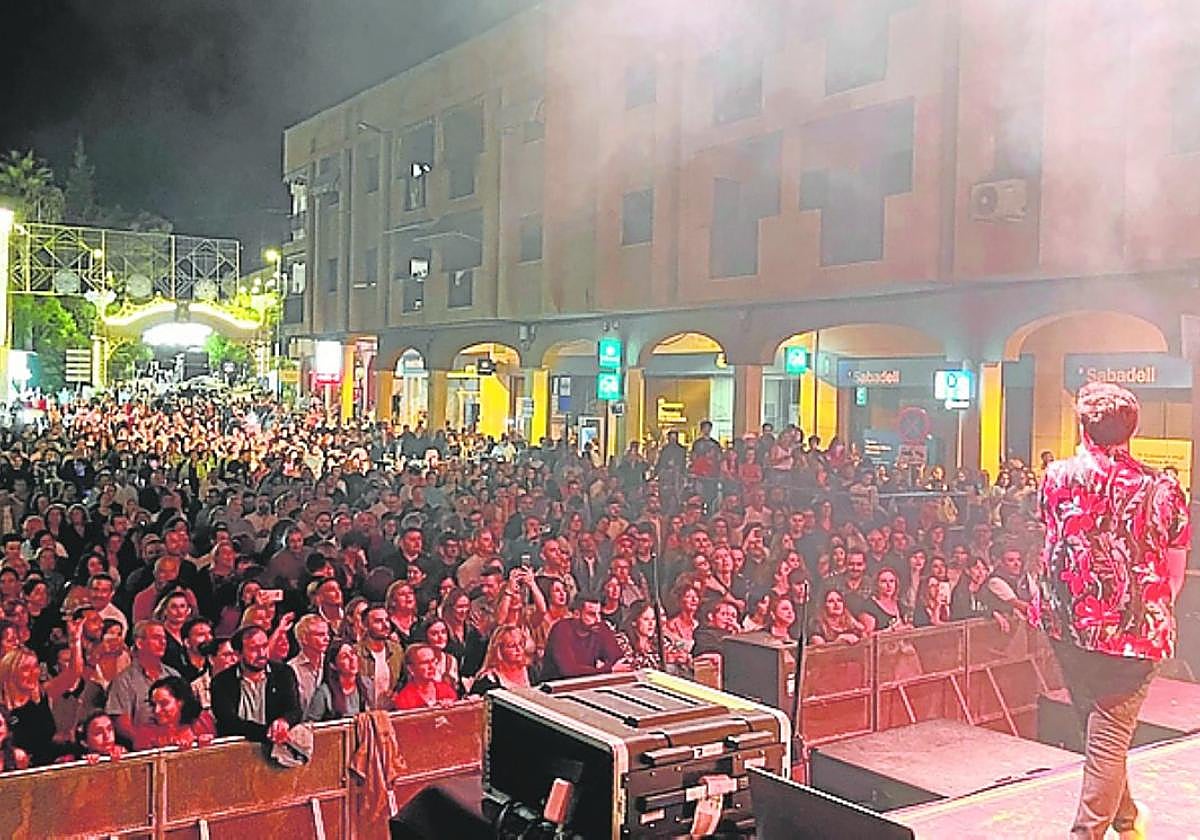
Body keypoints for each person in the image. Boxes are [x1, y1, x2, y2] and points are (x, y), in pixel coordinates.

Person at [1033, 381, 1189, 839]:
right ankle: (1116, 824)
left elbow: (1054, 538)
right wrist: (1146, 610)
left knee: (1101, 732)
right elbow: (1175, 570)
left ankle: (1113, 824)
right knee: (1106, 735)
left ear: (1082, 427)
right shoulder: (1164, 488)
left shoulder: (1056, 477)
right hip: (1136, 632)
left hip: (1068, 625)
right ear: (1133, 429)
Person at [210, 626, 303, 744]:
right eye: (254, 649)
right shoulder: (222, 682)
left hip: (278, 747)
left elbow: (294, 710)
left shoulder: (283, 673)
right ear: (238, 654)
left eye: (264, 646)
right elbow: (229, 722)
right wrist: (266, 732)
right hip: (236, 750)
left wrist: (284, 721)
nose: (262, 653)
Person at [106, 620, 180, 746]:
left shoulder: (173, 675)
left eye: (164, 638)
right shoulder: (123, 681)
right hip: (144, 749)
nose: (163, 642)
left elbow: (187, 710)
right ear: (140, 643)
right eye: (156, 638)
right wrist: (148, 740)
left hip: (176, 743)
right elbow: (120, 723)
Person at [541, 592, 624, 681]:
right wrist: (607, 670)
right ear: (577, 614)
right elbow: (569, 670)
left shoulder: (600, 627)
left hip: (587, 683)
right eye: (591, 614)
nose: (598, 619)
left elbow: (618, 659)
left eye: (599, 614)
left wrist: (606, 669)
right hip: (555, 686)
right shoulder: (561, 629)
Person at [134, 675, 210, 751]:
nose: (156, 710)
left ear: (181, 702)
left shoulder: (201, 722)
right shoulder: (145, 733)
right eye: (153, 705)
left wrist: (205, 745)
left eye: (164, 703)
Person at [305, 641, 375, 721]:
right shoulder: (324, 692)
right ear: (333, 665)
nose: (352, 659)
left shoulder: (367, 684)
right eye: (345, 656)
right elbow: (310, 724)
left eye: (353, 653)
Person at [470, 624, 536, 694]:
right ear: (499, 650)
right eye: (512, 646)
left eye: (520, 644)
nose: (518, 649)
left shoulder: (530, 671)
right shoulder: (487, 680)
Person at [392, 643, 458, 710]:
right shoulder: (404, 699)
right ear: (411, 668)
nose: (431, 666)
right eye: (425, 662)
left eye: (433, 661)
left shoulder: (446, 690)